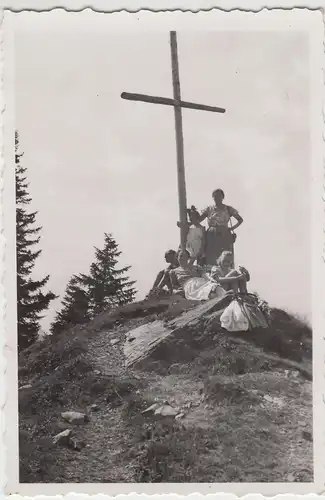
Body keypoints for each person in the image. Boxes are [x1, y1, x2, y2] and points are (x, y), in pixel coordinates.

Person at [199, 189, 243, 266]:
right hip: (211, 235)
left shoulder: (228, 209)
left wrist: (231, 228)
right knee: (210, 255)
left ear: (223, 197)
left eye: (219, 196)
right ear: (213, 197)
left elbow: (240, 220)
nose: (217, 198)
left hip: (224, 234)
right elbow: (198, 220)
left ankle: (225, 273)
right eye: (215, 196)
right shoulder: (209, 209)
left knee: (224, 255)